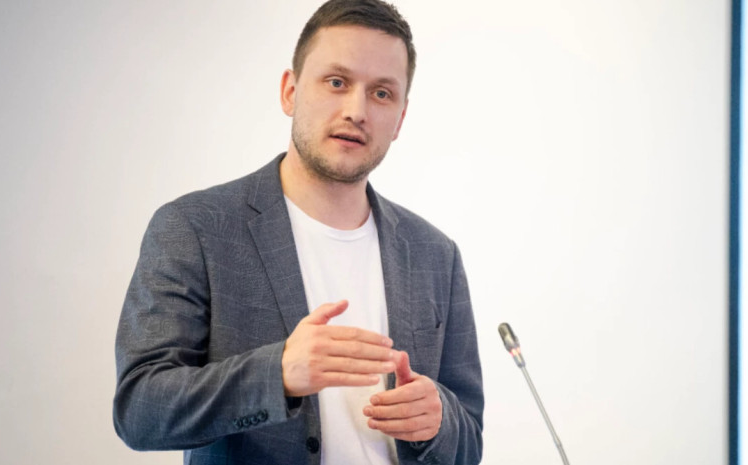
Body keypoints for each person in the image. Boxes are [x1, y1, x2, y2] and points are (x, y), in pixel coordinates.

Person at [113, 1, 484, 464]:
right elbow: (140, 410)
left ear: (401, 119)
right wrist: (278, 374)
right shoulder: (195, 227)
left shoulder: (436, 254)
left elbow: (470, 440)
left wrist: (440, 420)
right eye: (337, 82)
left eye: (381, 93)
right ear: (290, 91)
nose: (357, 111)